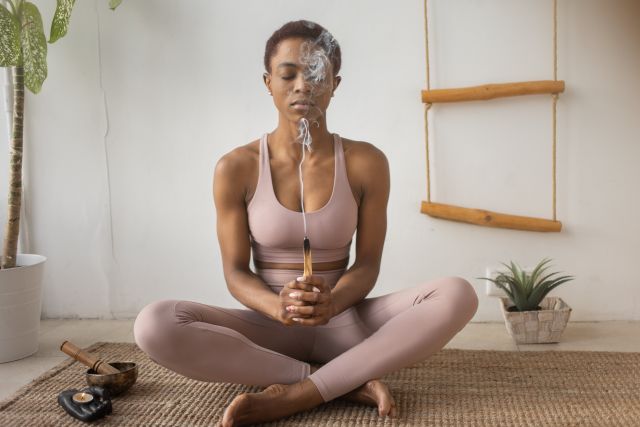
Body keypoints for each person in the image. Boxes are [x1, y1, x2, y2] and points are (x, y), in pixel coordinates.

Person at [133, 20, 479, 427]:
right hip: (268, 327)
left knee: (458, 294)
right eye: (288, 74)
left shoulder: (367, 162)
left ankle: (296, 395)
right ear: (268, 82)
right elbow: (235, 272)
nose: (302, 85)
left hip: (345, 323)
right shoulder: (236, 167)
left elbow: (367, 264)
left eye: (316, 74)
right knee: (154, 324)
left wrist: (332, 301)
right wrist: (275, 305)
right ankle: (341, 382)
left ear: (335, 83)